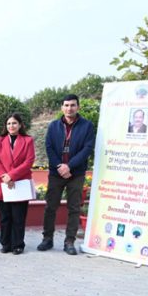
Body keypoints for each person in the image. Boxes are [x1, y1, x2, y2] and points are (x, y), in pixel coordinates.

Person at [38, 94, 95, 255]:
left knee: (74, 207)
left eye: (73, 105)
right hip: (56, 173)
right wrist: (59, 166)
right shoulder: (54, 126)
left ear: (78, 107)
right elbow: (49, 147)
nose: (69, 108)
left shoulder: (87, 126)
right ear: (62, 108)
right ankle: (47, 239)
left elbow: (87, 149)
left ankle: (69, 241)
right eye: (66, 105)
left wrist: (69, 166)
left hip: (76, 173)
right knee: (50, 206)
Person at [0, 113, 35, 255]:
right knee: (4, 217)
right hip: (2, 184)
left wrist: (11, 175)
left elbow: (29, 161)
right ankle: (6, 244)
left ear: (21, 125)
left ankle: (18, 245)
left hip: (19, 183)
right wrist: (5, 176)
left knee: (18, 217)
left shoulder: (28, 140)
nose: (11, 126)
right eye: (9, 123)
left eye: (14, 123)